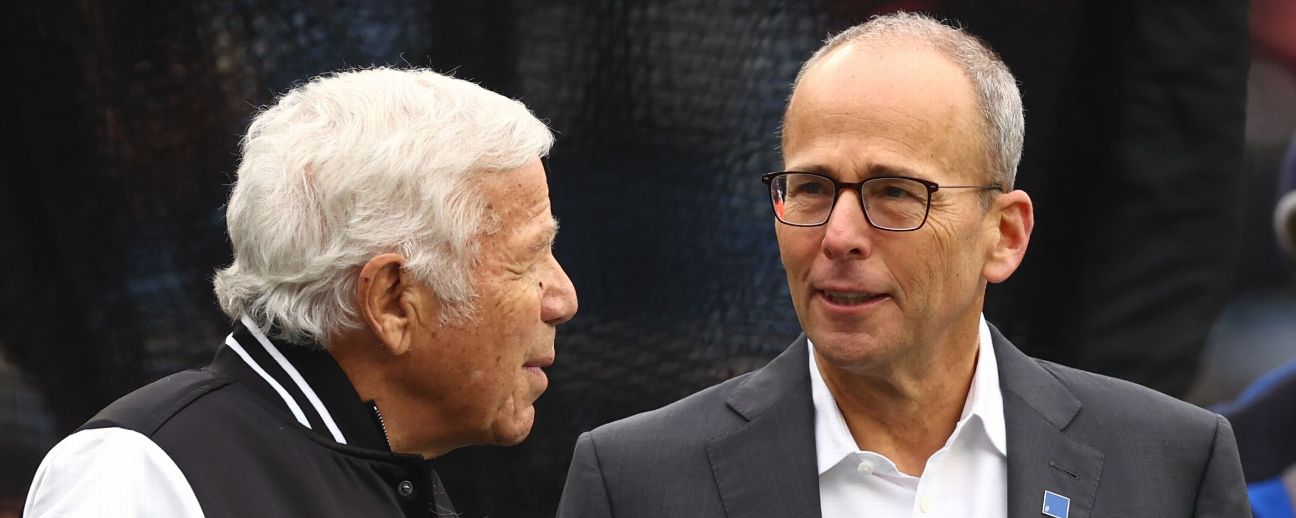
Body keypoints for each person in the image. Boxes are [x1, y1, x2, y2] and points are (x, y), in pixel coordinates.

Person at [556, 12, 1248, 517]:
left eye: (893, 193)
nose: (839, 236)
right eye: (811, 188)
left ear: (1004, 235)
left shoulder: (1172, 466)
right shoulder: (637, 483)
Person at [24, 67, 578, 517]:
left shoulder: (385, 472)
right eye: (527, 260)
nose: (563, 299)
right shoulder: (142, 474)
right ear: (391, 301)